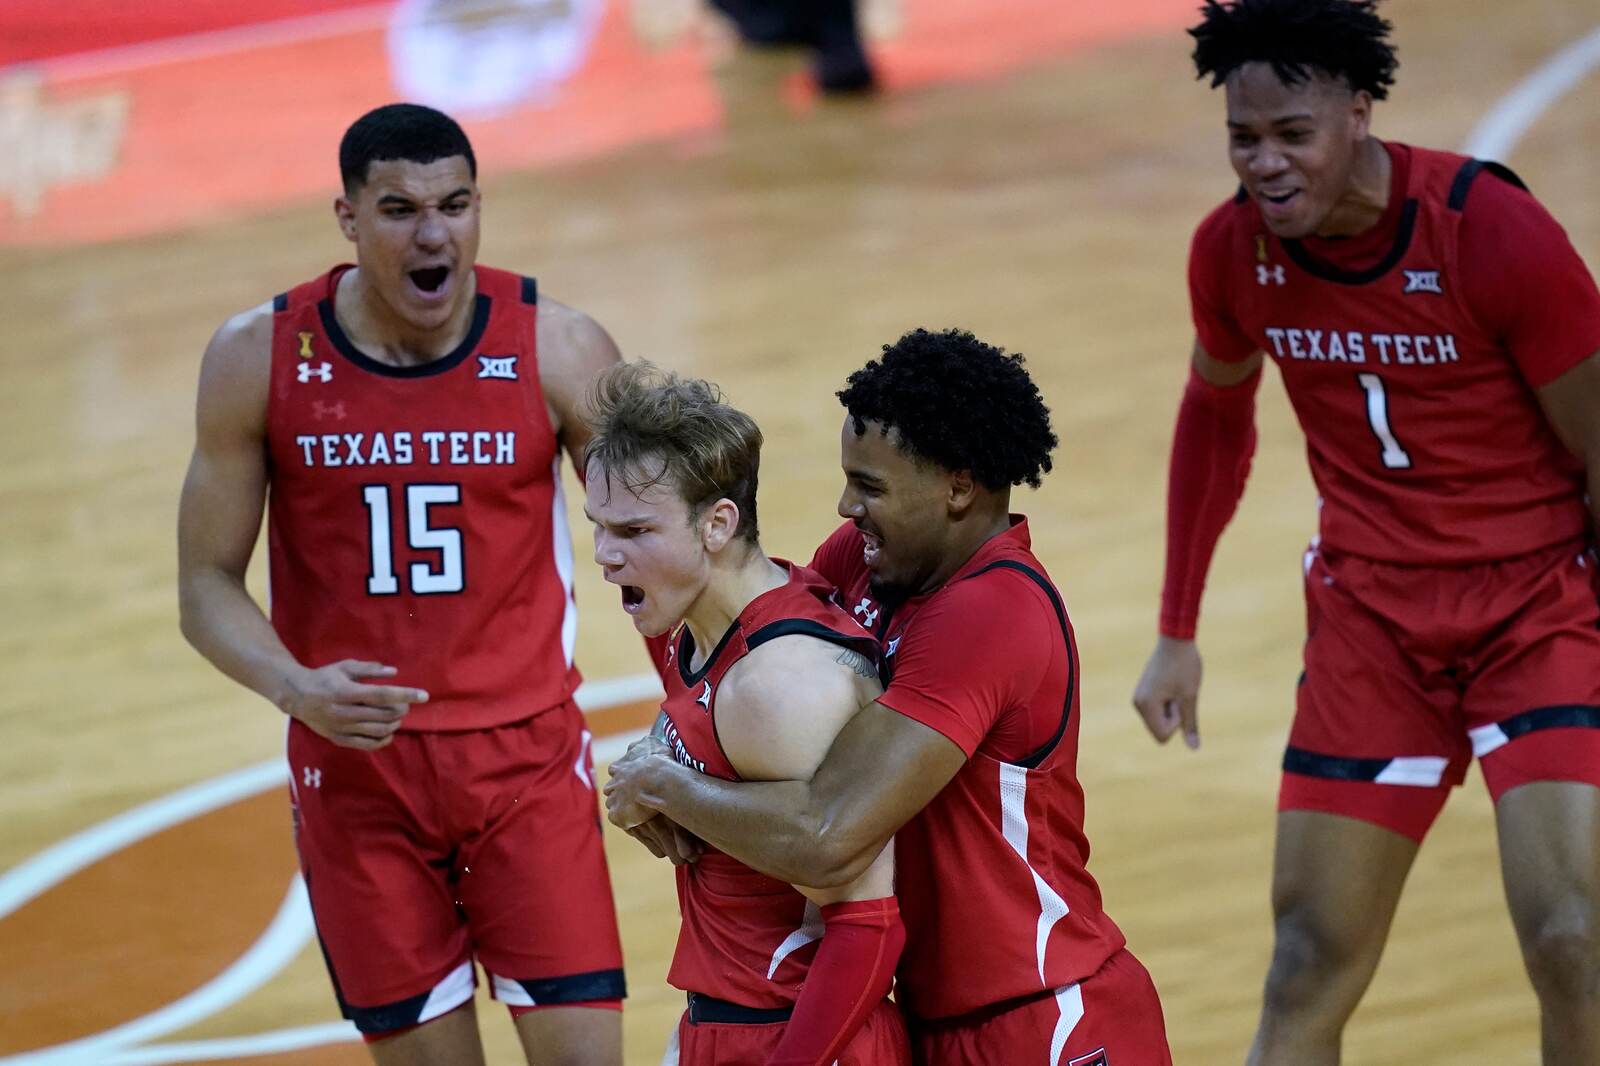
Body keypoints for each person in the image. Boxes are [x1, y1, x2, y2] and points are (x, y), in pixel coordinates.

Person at [1128, 3, 1600, 1062]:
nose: (1265, 163)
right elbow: (1215, 422)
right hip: (1372, 626)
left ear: (1359, 111)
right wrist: (1174, 626)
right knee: (1305, 958)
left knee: (1573, 940)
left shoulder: (1492, 232)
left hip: (1536, 607)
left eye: (1292, 134)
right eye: (1242, 138)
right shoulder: (1229, 253)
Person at [177, 103, 627, 1066]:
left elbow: (661, 542)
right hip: (356, 774)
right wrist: (295, 687)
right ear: (346, 217)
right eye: (399, 209)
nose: (434, 235)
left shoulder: (561, 348)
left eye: (455, 205)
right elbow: (205, 586)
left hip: (526, 763)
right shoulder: (258, 356)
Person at [606, 329, 1172, 1065]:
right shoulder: (866, 563)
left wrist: (666, 784)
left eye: (869, 486)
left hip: (1045, 1016)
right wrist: (661, 746)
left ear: (958, 486)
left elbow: (828, 834)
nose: (845, 507)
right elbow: (738, 648)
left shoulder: (995, 612)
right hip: (931, 1021)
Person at [582, 361, 909, 1066]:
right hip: (727, 1023)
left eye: (634, 530)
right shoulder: (698, 632)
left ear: (717, 524)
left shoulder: (778, 685)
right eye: (599, 527)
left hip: (803, 1038)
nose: (607, 556)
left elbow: (869, 929)